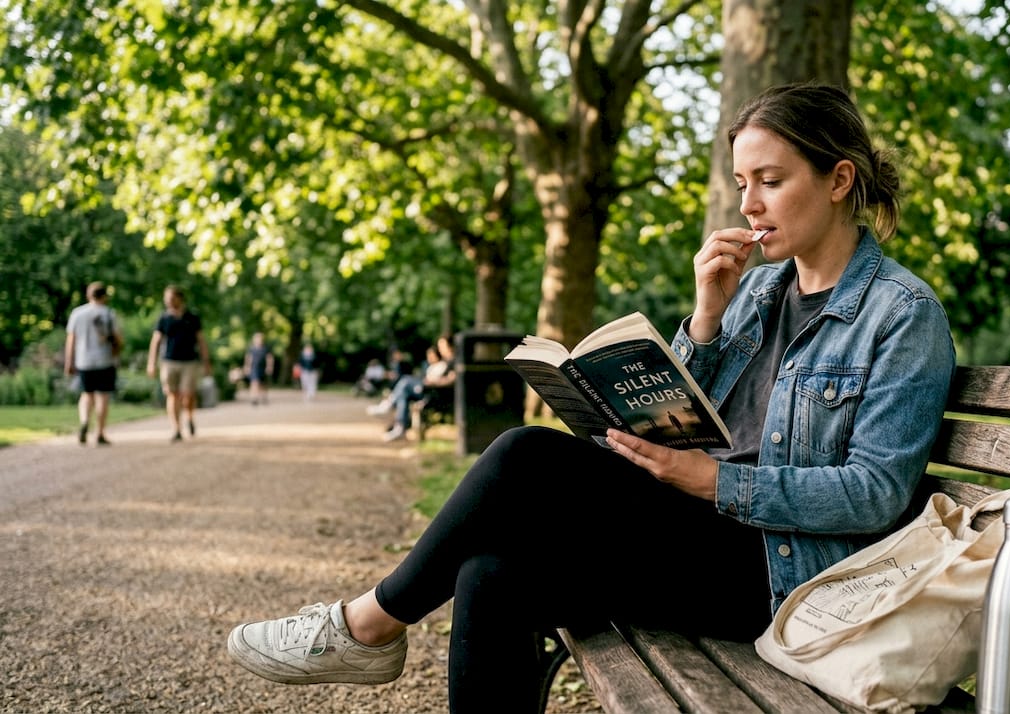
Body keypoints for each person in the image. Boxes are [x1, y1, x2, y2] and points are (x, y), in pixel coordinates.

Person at [226, 83, 957, 711]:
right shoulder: (761, 288)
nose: (750, 202)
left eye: (770, 179)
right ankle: (369, 629)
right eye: (742, 184)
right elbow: (692, 411)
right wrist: (704, 317)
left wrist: (715, 480)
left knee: (523, 456)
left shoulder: (901, 313)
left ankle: (368, 625)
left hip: (782, 571)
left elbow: (876, 493)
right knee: (491, 577)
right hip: (700, 534)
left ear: (838, 180)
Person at [147, 285, 211, 443]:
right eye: (166, 298)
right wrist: (151, 362)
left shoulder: (192, 317)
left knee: (188, 396)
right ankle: (176, 429)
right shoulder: (163, 319)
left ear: (179, 298)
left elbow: (201, 341)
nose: (168, 301)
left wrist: (206, 362)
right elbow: (156, 341)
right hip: (169, 362)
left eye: (171, 298)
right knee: (172, 394)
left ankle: (189, 416)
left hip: (189, 362)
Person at [63, 281, 123, 446]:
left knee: (86, 394)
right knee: (102, 396)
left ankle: (84, 421)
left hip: (83, 361)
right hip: (105, 360)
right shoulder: (109, 314)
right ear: (104, 296)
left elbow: (71, 340)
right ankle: (100, 432)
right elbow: (118, 339)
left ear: (89, 295)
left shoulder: (77, 313)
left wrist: (69, 362)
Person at [382, 334, 457, 442]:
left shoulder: (455, 361)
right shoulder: (447, 361)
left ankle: (390, 407)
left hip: (436, 394)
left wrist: (434, 381)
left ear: (451, 346)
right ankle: (399, 426)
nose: (440, 349)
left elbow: (452, 380)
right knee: (404, 395)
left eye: (442, 346)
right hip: (430, 391)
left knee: (406, 382)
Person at [243, 332, 276, 406]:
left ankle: (264, 397)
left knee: (263, 384)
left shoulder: (266, 348)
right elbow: (248, 358)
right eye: (257, 338)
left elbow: (269, 358)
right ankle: (254, 398)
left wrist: (269, 366)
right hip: (254, 367)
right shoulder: (251, 348)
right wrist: (247, 367)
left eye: (259, 338)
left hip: (263, 368)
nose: (258, 340)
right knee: (254, 382)